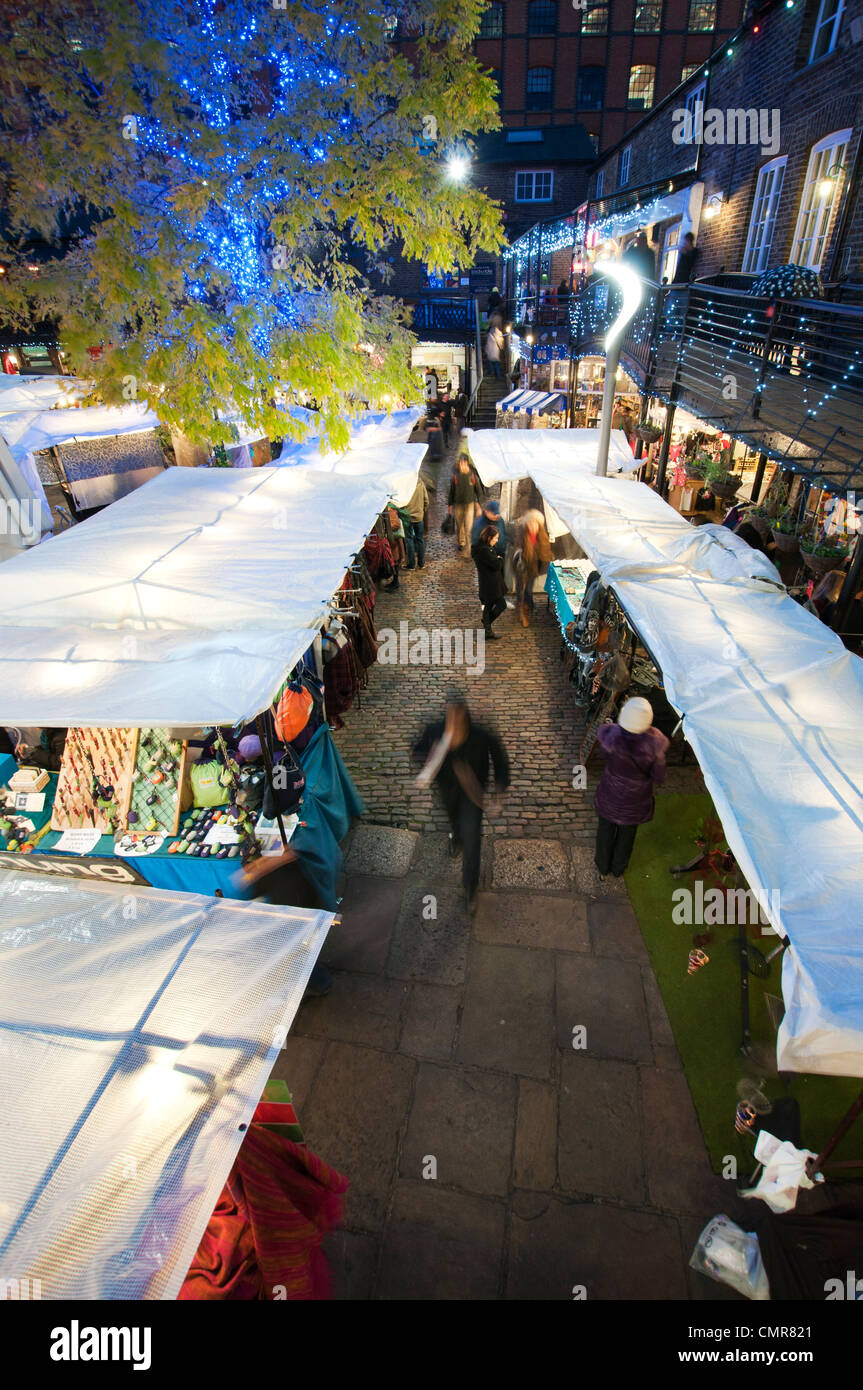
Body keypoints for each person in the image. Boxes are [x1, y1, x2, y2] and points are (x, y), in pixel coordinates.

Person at [413, 695, 510, 914]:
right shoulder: (435, 731)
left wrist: (499, 791)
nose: (454, 723)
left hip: (472, 796)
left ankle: (470, 887)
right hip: (448, 791)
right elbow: (418, 751)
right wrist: (430, 757)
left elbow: (500, 760)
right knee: (455, 822)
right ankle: (456, 838)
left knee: (472, 836)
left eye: (458, 717)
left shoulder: (481, 736)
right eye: (450, 717)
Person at [242, 845, 334, 996]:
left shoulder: (281, 879)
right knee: (305, 957)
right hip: (304, 923)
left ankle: (321, 985)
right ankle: (318, 978)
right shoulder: (288, 868)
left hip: (300, 927)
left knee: (303, 960)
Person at [593, 697, 669, 879]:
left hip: (610, 793)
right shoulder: (654, 744)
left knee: (605, 830)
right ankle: (618, 868)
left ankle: (602, 865)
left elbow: (601, 753)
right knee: (627, 835)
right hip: (636, 799)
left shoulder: (612, 736)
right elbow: (659, 776)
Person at [513, 508, 552, 627]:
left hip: (534, 568)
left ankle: (526, 610)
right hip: (522, 566)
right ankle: (523, 608)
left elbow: (545, 553)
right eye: (531, 523)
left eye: (535, 524)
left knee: (528, 590)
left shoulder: (542, 536)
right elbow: (516, 548)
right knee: (521, 589)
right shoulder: (522, 534)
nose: (533, 527)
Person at [471, 524, 506, 641]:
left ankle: (487, 628)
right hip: (490, 584)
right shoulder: (485, 550)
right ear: (489, 538)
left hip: (488, 582)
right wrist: (500, 559)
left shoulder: (484, 548)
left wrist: (497, 558)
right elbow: (496, 565)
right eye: (495, 538)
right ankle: (487, 625)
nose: (497, 541)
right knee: (500, 605)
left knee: (488, 606)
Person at [448, 453, 484, 551]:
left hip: (469, 505)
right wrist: (450, 505)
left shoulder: (472, 476)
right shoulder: (455, 477)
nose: (462, 465)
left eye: (463, 463)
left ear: (467, 463)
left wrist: (479, 505)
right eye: (460, 463)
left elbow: (479, 491)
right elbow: (451, 492)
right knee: (460, 525)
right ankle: (461, 542)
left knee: (468, 526)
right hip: (457, 505)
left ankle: (469, 545)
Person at [404, 474, 429, 571]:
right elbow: (426, 501)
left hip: (408, 517)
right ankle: (421, 563)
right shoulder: (421, 484)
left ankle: (411, 564)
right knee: (420, 540)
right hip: (419, 517)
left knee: (409, 540)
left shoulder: (406, 486)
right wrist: (422, 511)